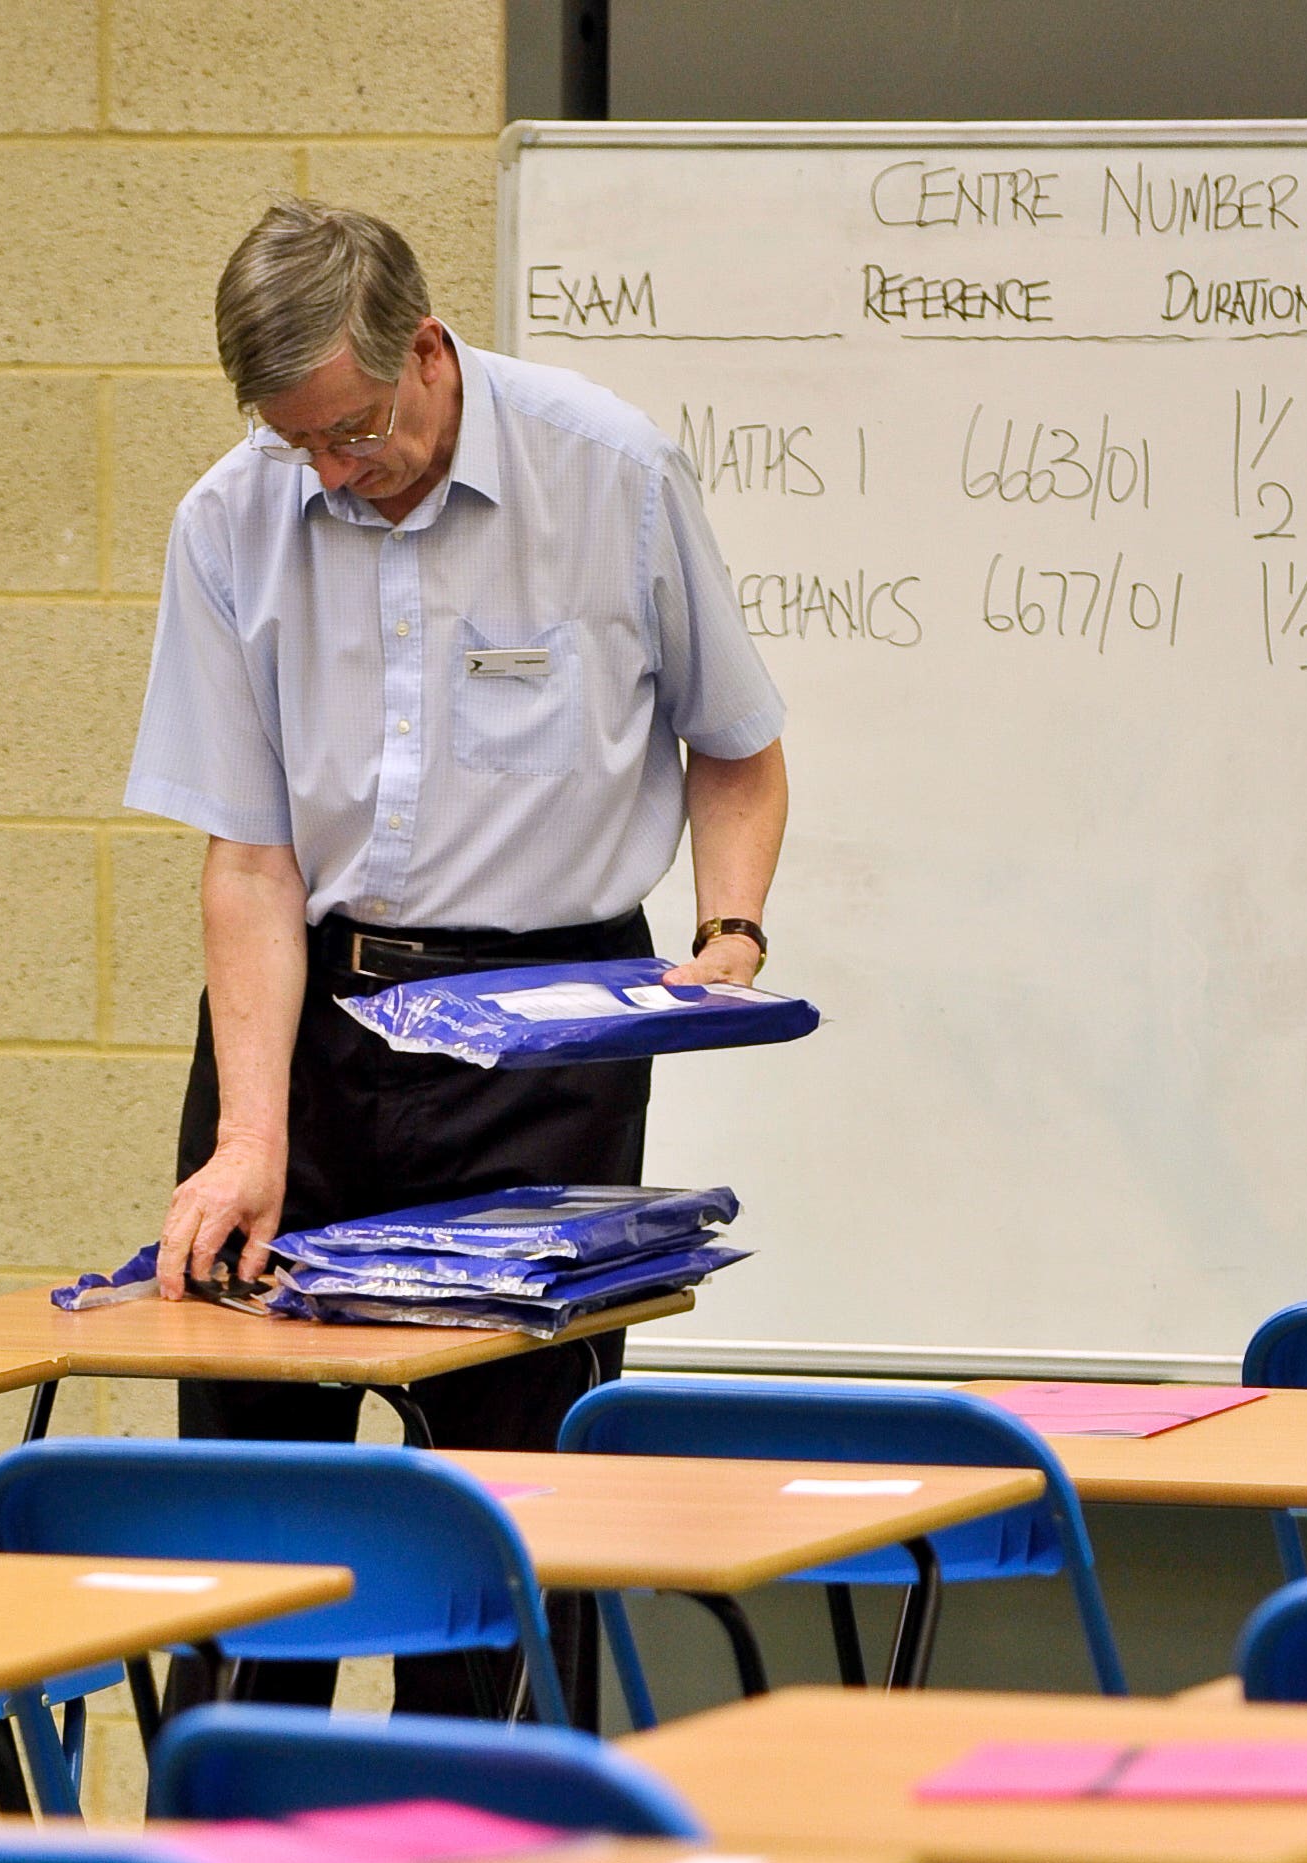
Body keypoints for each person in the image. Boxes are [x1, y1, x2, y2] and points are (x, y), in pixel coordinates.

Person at [123, 200, 788, 1714]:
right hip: (312, 1020)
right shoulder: (230, 520)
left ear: (426, 349)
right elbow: (249, 855)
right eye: (303, 447)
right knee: (251, 1535)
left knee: (497, 1530)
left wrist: (729, 934)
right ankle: (234, 1839)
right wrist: (250, 1139)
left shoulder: (607, 469)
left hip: (541, 1038)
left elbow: (737, 751)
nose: (336, 473)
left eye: (356, 432)